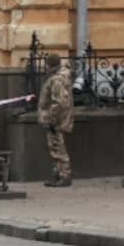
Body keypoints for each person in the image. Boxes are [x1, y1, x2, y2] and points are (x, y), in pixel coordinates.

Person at [39, 54, 75, 187]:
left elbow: (59, 103)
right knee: (55, 148)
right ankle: (57, 174)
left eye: (46, 65)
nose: (44, 68)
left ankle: (64, 176)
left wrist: (51, 119)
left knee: (58, 148)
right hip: (59, 120)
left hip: (56, 121)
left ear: (50, 65)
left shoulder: (57, 80)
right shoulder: (59, 77)